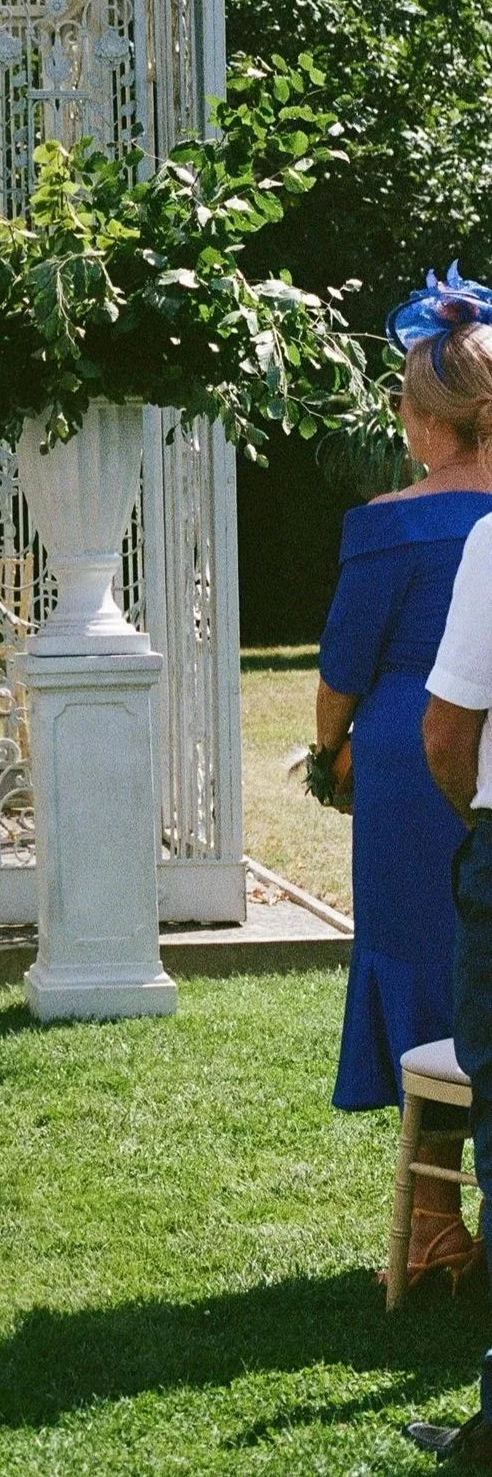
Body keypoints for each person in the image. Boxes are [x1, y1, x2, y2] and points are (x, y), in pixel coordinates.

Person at [317, 294, 492, 1293]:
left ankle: (432, 1221)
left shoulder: (384, 528)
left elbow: (342, 664)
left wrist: (326, 746)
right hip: (480, 759)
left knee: (421, 967)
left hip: (408, 761)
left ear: (423, 418)